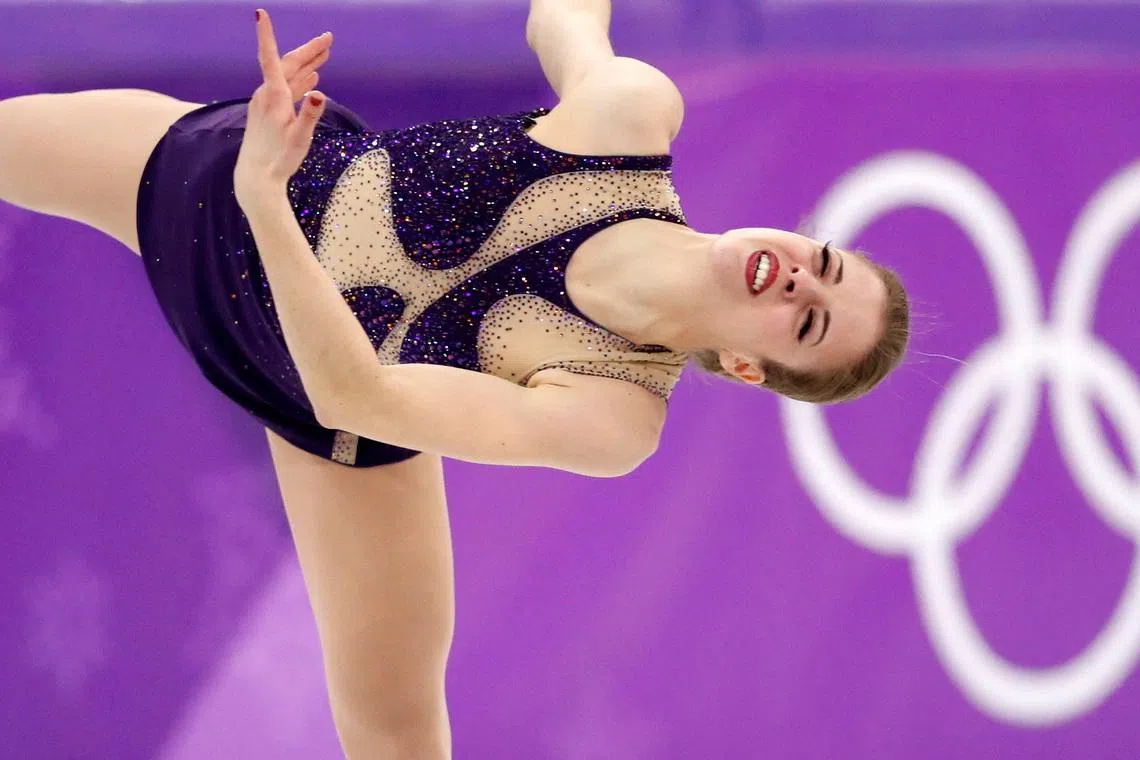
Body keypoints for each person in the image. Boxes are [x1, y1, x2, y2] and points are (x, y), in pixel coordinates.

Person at [0, 2, 908, 757]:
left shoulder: (614, 409)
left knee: (396, 728)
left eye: (809, 320)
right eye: (824, 263)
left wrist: (266, 203)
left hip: (313, 377)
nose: (799, 278)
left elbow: (359, 397)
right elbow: (561, 17)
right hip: (214, 179)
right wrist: (259, 188)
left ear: (749, 369)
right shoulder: (627, 117)